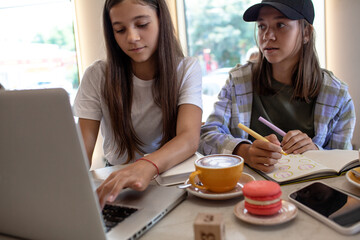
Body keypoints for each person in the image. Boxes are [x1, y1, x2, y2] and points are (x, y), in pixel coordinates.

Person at [199, 0, 355, 173]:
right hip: (249, 190)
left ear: (306, 33)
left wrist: (315, 152)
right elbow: (206, 135)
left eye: (280, 25)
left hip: (309, 194)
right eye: (261, 26)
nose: (267, 36)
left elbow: (345, 163)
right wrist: (244, 151)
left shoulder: (337, 95)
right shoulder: (238, 82)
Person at [74, 0, 202, 208]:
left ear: (161, 20)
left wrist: (146, 166)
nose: (132, 37)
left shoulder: (186, 69)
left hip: (170, 175)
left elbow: (189, 138)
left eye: (142, 24)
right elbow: (80, 154)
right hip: (118, 179)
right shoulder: (97, 76)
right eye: (120, 29)